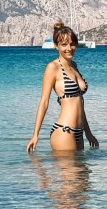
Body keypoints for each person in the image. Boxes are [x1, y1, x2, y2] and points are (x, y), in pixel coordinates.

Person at [27, 21, 99, 153]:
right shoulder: (53, 67)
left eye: (72, 44)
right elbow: (44, 102)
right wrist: (35, 134)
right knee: (71, 172)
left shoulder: (74, 66)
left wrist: (88, 133)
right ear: (57, 46)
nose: (69, 48)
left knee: (83, 173)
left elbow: (79, 104)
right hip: (64, 131)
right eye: (64, 45)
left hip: (79, 133)